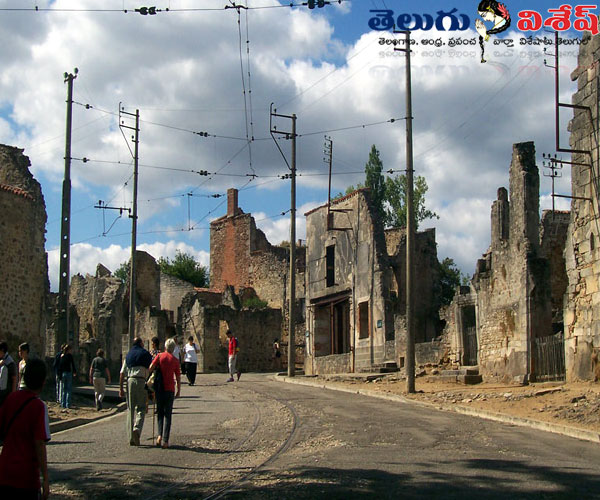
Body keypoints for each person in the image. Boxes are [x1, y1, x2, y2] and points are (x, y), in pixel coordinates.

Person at [0, 357, 51, 499]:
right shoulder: (39, 407)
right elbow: (40, 443)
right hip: (26, 477)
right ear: (43, 382)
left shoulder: (11, 399)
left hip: (5, 471)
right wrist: (45, 478)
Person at [149, 338, 181, 448]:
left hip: (159, 388)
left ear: (166, 347)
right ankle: (166, 441)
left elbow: (150, 368)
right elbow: (178, 377)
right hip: (170, 389)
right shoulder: (175, 360)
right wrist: (179, 390)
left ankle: (159, 436)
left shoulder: (159, 356)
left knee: (160, 413)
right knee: (168, 415)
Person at [120, 337, 152, 446]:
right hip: (141, 381)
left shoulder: (128, 355)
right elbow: (151, 368)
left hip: (130, 381)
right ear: (141, 343)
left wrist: (121, 388)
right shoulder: (145, 354)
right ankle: (137, 429)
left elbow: (122, 373)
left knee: (130, 409)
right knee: (141, 408)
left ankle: (130, 438)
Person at [58, 344, 77, 409]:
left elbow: (60, 366)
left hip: (63, 373)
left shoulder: (62, 356)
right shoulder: (69, 356)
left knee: (63, 390)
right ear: (68, 350)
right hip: (68, 373)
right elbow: (73, 364)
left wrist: (59, 375)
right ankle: (68, 404)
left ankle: (63, 404)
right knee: (68, 389)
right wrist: (74, 371)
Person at [0, 341, 17, 407]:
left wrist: (12, 394)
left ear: (2, 350)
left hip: (6, 393)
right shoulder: (1, 360)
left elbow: (14, 379)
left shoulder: (10, 363)